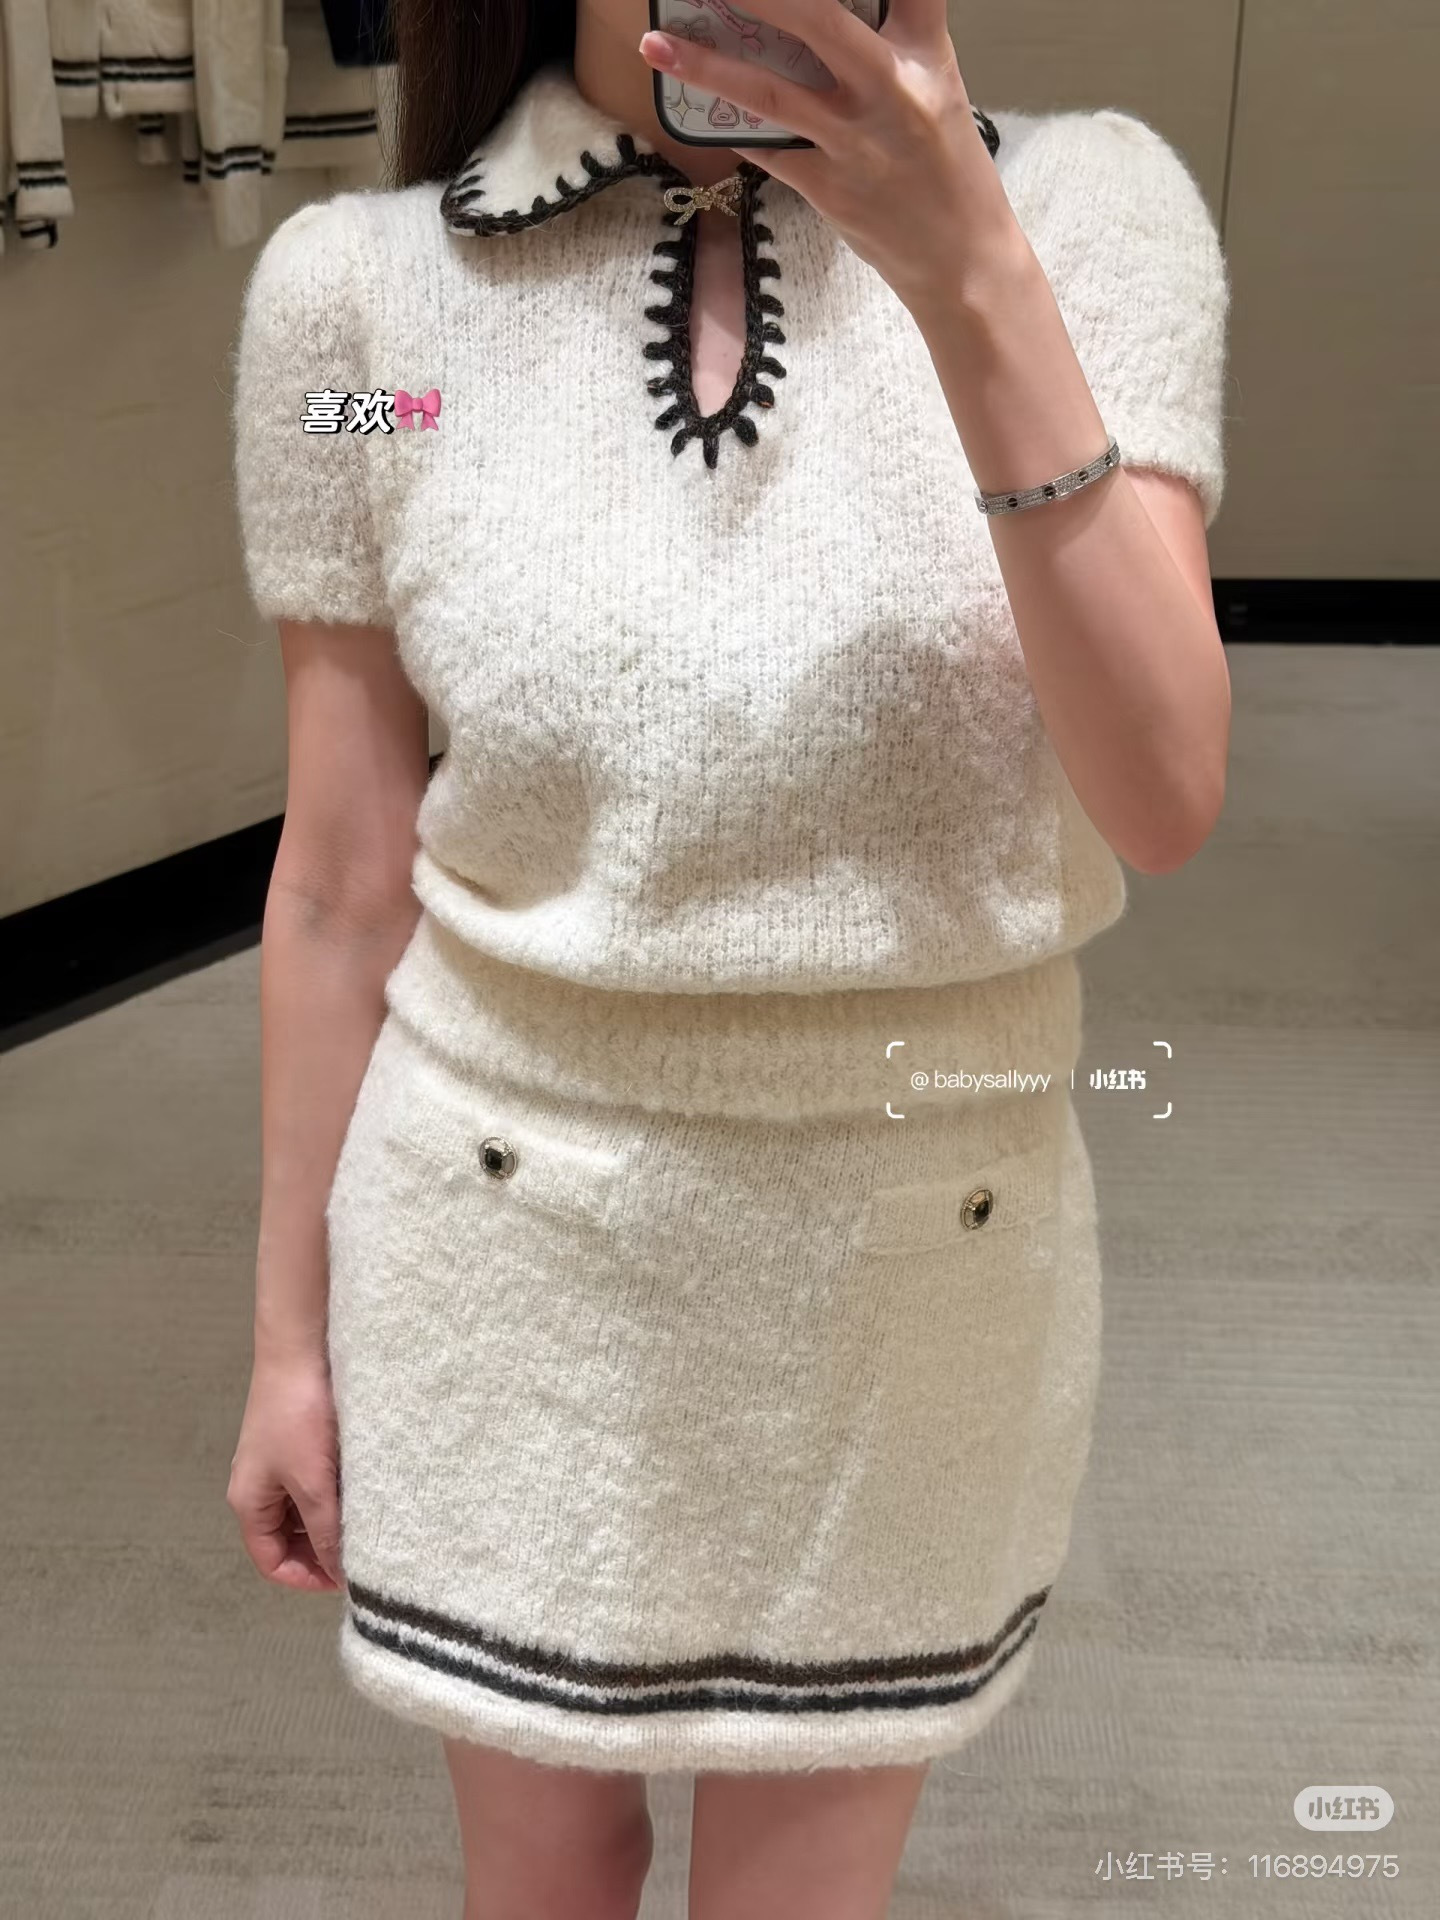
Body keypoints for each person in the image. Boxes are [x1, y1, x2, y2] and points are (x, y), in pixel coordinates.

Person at [225, 0, 1232, 1913]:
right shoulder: (361, 320)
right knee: (538, 1878)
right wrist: (287, 1343)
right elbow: (342, 882)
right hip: (499, 1249)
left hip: (921, 1266)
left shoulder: (1093, 221)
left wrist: (971, 275)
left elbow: (1164, 793)